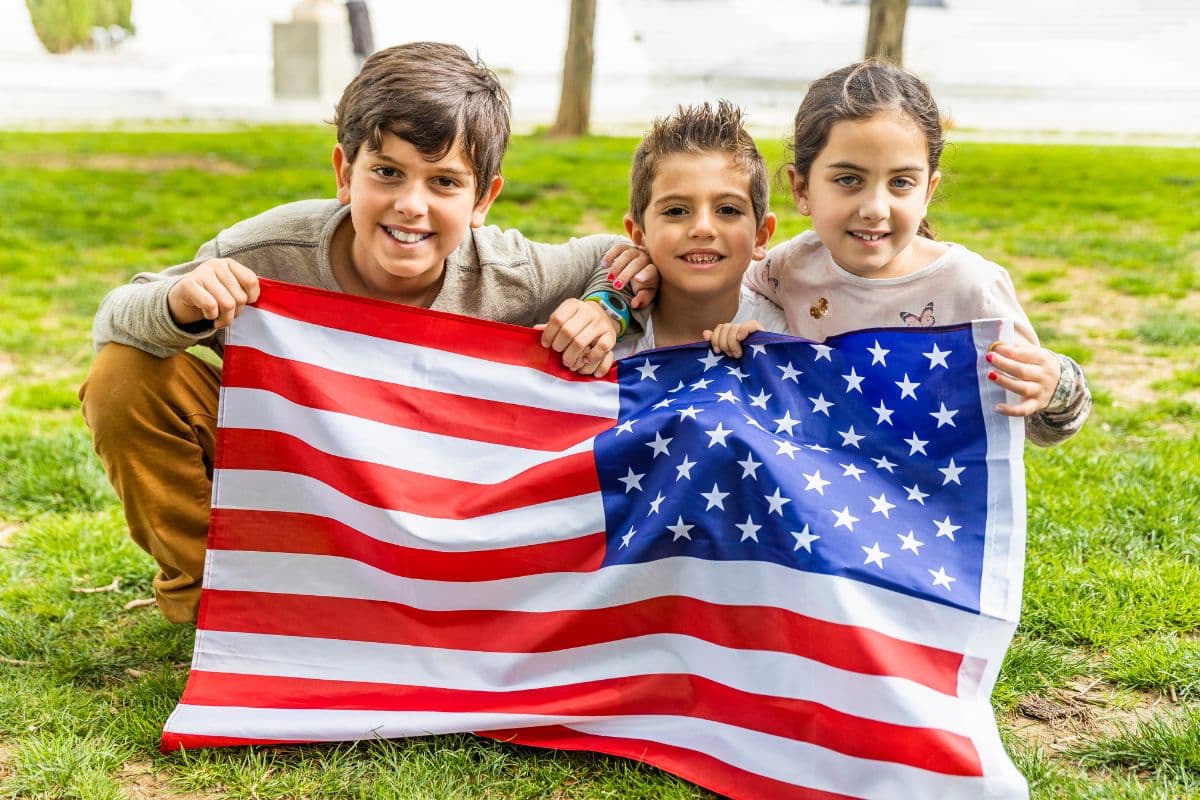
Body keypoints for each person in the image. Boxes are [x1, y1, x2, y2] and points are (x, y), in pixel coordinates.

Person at [79, 42, 648, 624]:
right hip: (303, 480)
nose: (411, 204)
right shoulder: (267, 251)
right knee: (124, 375)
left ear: (483, 199)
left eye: (445, 182)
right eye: (388, 172)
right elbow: (115, 318)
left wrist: (605, 306)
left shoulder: (505, 273)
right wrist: (180, 301)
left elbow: (618, 253)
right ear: (345, 174)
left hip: (430, 509)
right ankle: (217, 596)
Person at [708, 60, 1090, 447]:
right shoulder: (788, 268)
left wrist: (1056, 386)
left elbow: (1042, 428)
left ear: (927, 191)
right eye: (848, 180)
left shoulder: (972, 287)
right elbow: (719, 297)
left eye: (901, 183)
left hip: (927, 497)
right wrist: (742, 327)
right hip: (823, 489)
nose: (875, 207)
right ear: (802, 188)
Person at [613, 100, 785, 358]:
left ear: (761, 236)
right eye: (676, 211)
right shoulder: (607, 337)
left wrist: (767, 365)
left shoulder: (787, 337)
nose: (703, 228)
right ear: (639, 235)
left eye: (728, 210)